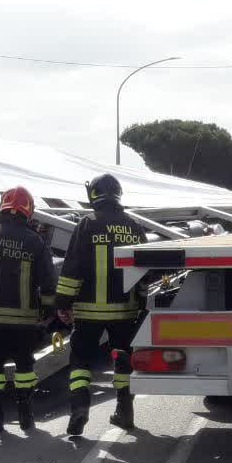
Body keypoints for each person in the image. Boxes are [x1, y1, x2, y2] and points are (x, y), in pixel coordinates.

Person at [55, 173, 148, 435]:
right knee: (123, 360)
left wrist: (63, 303)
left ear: (93, 194)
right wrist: (141, 302)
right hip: (125, 311)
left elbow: (72, 268)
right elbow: (144, 271)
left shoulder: (86, 224)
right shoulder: (134, 226)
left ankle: (79, 409)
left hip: (87, 311)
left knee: (80, 360)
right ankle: (124, 412)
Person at [0, 186, 56, 433]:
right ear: (28, 211)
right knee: (25, 367)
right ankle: (26, 416)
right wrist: (49, 310)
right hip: (24, 321)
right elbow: (48, 281)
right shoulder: (34, 240)